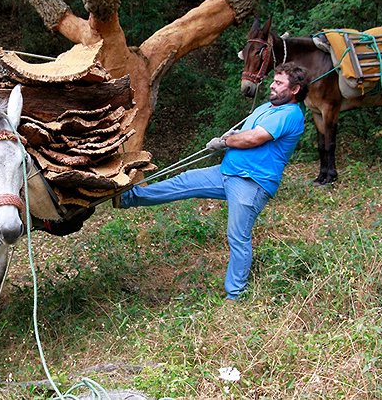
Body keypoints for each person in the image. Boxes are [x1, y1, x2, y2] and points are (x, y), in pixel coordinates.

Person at [117, 62, 309, 301]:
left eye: (280, 83)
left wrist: (227, 143)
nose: (272, 85)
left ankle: (235, 295)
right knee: (183, 181)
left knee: (237, 236)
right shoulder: (266, 108)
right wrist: (229, 137)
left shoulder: (290, 114)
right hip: (226, 172)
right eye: (274, 80)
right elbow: (244, 131)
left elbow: (255, 138)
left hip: (251, 184)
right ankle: (126, 197)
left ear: (295, 90)